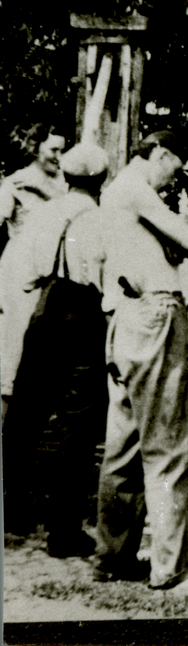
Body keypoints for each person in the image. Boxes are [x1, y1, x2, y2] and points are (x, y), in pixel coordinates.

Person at [91, 131, 188, 592]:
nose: (172, 180)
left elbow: (160, 252)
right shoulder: (137, 191)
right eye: (174, 169)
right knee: (169, 446)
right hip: (154, 315)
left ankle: (113, 557)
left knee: (123, 445)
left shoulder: (113, 194)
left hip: (125, 319)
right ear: (159, 155)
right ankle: (171, 571)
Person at [2, 143, 109, 554]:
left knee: (26, 413)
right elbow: (106, 274)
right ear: (100, 181)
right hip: (83, 313)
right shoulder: (101, 219)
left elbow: (24, 273)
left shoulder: (44, 214)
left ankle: (11, 512)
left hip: (44, 309)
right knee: (75, 423)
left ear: (66, 178)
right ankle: (63, 531)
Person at [0, 123, 68, 422]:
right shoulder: (16, 182)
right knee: (14, 343)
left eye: (63, 151)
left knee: (48, 346)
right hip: (20, 270)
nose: (59, 156)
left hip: (53, 272)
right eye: (53, 149)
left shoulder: (65, 184)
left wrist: (46, 192)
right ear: (36, 147)